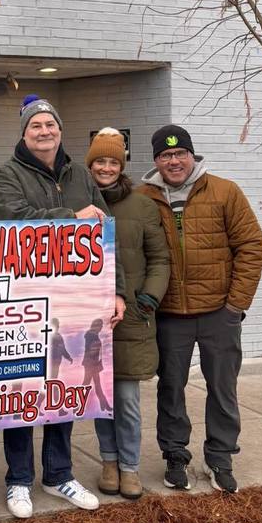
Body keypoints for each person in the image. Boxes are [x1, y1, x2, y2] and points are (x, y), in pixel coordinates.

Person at [0, 98, 126, 519]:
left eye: (50, 124)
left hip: (73, 299)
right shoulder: (6, 174)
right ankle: (18, 480)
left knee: (61, 389)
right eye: (36, 125)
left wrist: (116, 291)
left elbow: (104, 236)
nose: (44, 131)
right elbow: (12, 221)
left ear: (61, 130)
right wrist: (70, 215)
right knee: (20, 391)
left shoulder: (81, 175)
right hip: (24, 300)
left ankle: (58, 473)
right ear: (24, 133)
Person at [139, 124, 262, 493]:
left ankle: (220, 457)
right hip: (171, 316)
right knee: (171, 388)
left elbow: (252, 248)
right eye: (165, 155)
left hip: (218, 314)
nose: (174, 161)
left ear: (192, 155)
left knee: (222, 388)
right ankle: (175, 456)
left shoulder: (224, 191)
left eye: (180, 154)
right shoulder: (144, 197)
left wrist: (235, 306)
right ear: (157, 161)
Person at [85, 128, 170, 500]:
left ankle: (130, 467)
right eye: (100, 161)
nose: (106, 167)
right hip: (90, 320)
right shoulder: (77, 203)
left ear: (122, 165)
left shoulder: (142, 205)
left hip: (131, 317)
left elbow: (160, 258)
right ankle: (108, 460)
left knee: (128, 400)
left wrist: (147, 298)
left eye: (112, 161)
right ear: (90, 165)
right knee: (101, 401)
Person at [81, 319, 111, 413]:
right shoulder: (91, 335)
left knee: (96, 385)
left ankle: (104, 404)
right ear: (96, 326)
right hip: (91, 364)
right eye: (100, 325)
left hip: (93, 363)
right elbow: (91, 350)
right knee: (86, 384)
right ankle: (77, 405)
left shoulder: (92, 335)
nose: (102, 327)